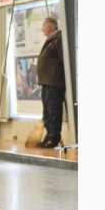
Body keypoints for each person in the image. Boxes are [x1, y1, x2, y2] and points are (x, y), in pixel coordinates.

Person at [36, 17, 65, 148]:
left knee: (53, 111)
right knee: (47, 112)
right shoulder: (51, 39)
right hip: (46, 82)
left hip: (54, 82)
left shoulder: (58, 38)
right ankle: (48, 136)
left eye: (43, 26)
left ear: (49, 27)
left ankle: (53, 138)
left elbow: (63, 58)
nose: (42, 29)